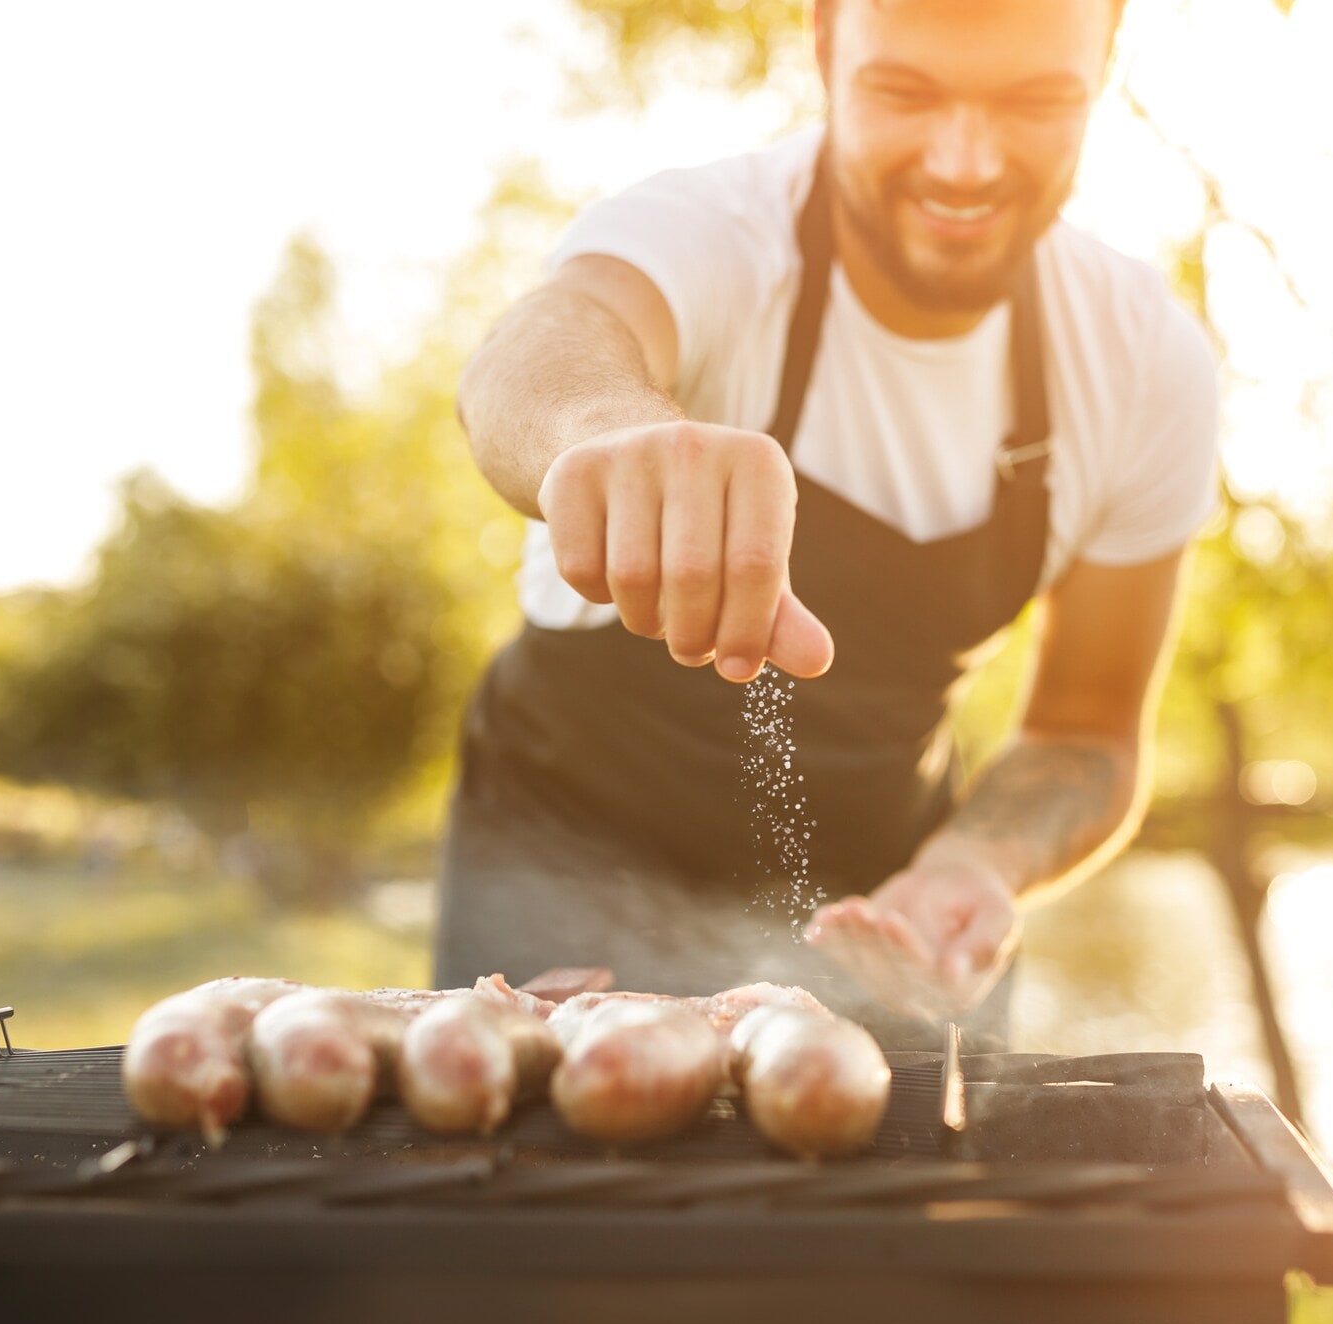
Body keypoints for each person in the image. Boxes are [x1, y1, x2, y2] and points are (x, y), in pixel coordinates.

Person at [436, 0, 1218, 1048]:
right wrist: (609, 431)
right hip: (563, 876)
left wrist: (977, 863)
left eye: (1034, 102)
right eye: (904, 92)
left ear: (1106, 61)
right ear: (823, 44)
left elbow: (1086, 732)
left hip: (885, 916)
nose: (965, 162)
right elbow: (534, 353)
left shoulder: (1142, 362)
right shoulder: (714, 232)